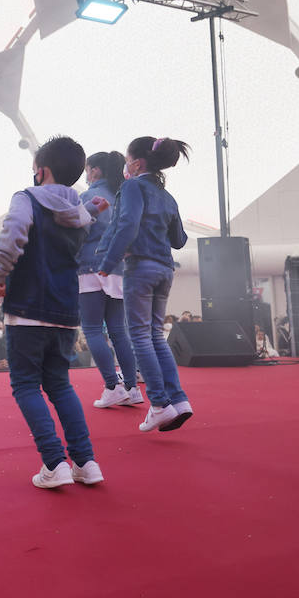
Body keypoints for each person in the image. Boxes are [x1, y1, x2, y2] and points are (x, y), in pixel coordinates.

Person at [0, 135, 105, 489]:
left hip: (27, 306)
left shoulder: (26, 197)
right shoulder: (80, 211)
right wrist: (93, 214)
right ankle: (86, 461)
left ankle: (55, 463)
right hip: (66, 308)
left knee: (26, 384)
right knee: (59, 384)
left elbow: (13, 236)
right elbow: (76, 240)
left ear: (41, 171)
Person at [99, 136, 194, 434]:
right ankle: (178, 400)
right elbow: (180, 240)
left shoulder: (132, 186)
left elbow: (128, 224)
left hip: (140, 266)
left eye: (128, 159)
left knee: (139, 336)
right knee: (154, 335)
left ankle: (159, 405)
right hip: (165, 268)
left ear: (137, 163)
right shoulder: (168, 197)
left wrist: (107, 262)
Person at [76, 151, 142, 409]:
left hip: (91, 266)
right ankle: (132, 387)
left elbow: (78, 233)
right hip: (119, 269)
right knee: (118, 330)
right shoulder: (124, 198)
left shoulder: (90, 197)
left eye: (87, 169)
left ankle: (112, 387)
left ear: (95, 171)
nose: (85, 174)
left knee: (92, 329)